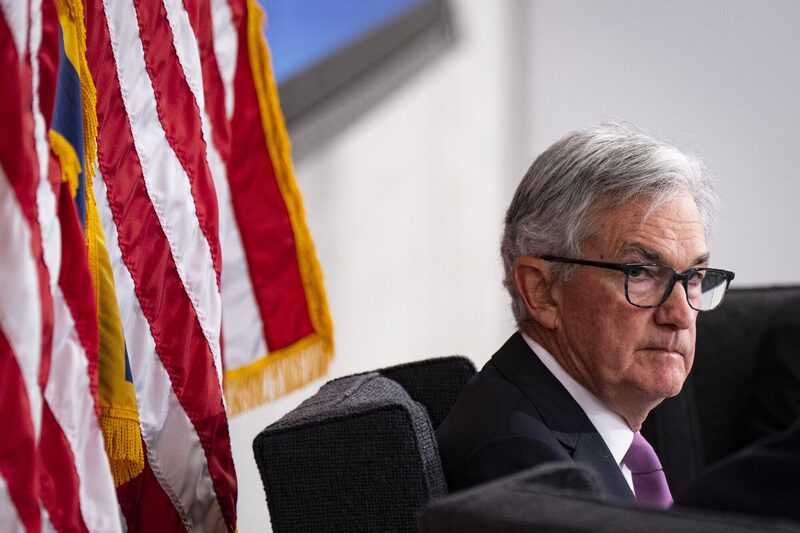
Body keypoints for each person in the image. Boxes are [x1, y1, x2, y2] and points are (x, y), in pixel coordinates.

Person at [436, 123, 735, 508]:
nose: (679, 314)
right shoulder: (525, 465)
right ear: (542, 291)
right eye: (639, 273)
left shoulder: (605, 428)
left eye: (693, 277)